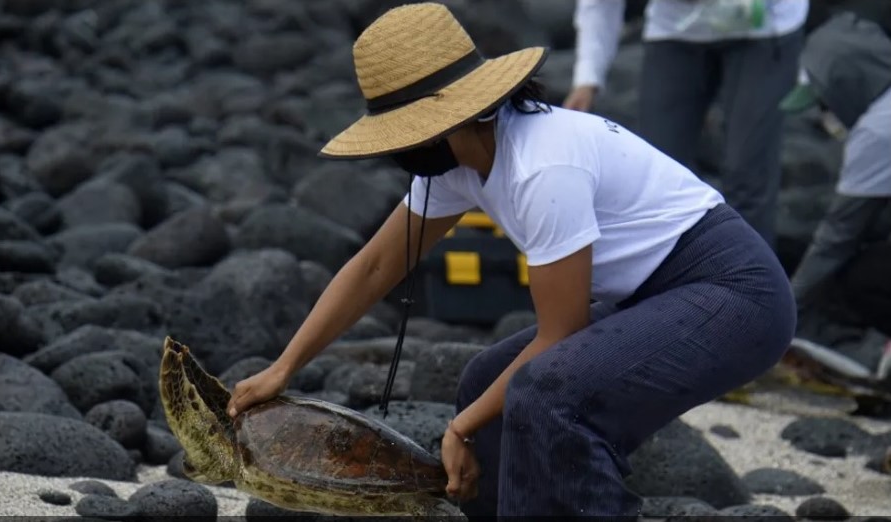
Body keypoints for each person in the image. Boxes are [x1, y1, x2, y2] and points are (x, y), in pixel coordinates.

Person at [226, 2, 797, 517]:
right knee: (485, 383)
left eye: (403, 137)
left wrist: (460, 427)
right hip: (655, 294)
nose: (400, 152)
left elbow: (560, 334)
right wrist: (285, 366)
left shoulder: (542, 167)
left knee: (547, 394)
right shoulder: (460, 163)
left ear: (448, 121)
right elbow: (378, 266)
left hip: (735, 293)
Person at [564, 0, 807, 251]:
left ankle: (753, 284)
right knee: (658, 172)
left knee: (747, 173)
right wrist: (587, 79)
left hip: (765, 26)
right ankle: (678, 281)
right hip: (674, 31)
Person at [781, 6, 891, 336]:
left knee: (861, 277)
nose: (826, 116)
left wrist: (779, 313)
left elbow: (836, 238)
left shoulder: (878, 131)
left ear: (848, 84)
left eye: (826, 103)